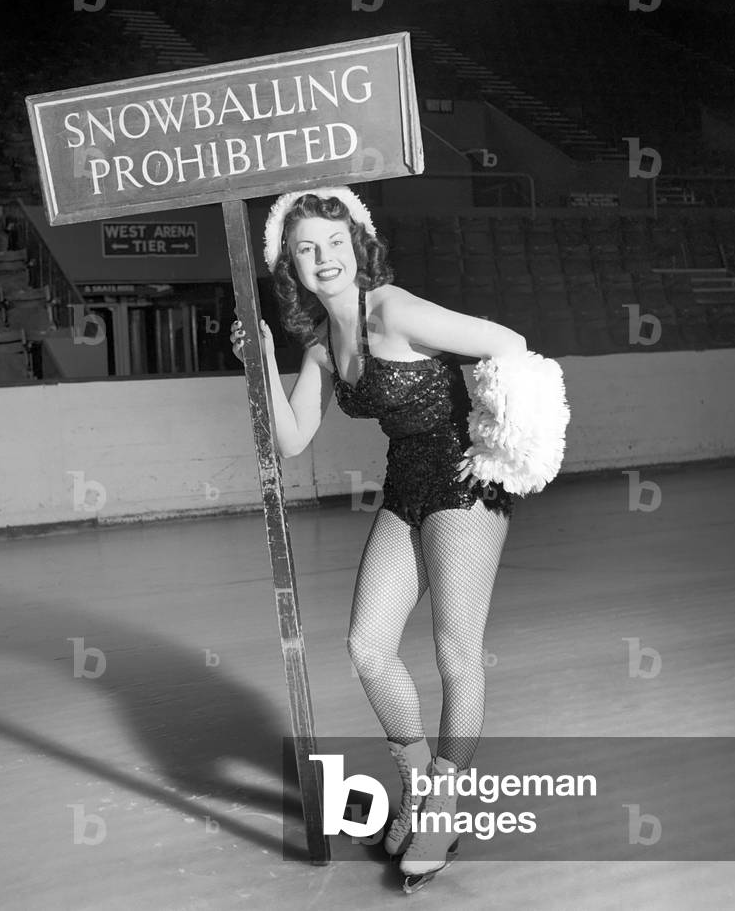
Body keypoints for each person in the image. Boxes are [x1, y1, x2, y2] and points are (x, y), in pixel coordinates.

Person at [230, 186, 569, 893]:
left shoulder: (394, 308)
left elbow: (506, 342)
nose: (323, 257)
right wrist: (259, 357)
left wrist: (502, 440)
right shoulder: (323, 346)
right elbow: (290, 440)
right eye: (305, 248)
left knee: (454, 651)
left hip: (464, 483)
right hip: (405, 486)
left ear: (357, 241)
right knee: (366, 645)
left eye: (332, 241)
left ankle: (443, 804)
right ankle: (417, 784)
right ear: (288, 266)